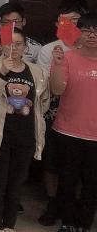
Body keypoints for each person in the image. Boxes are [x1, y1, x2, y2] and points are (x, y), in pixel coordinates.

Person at [0, 28, 49, 232]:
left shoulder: (36, 71)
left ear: (25, 48)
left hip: (26, 136)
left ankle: (9, 225)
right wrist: (3, 73)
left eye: (19, 44)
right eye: (9, 43)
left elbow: (42, 103)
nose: (14, 48)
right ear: (1, 45)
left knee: (16, 185)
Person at [36, 0, 88, 226]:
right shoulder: (49, 50)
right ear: (58, 23)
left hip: (84, 115)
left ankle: (74, 203)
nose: (71, 25)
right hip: (53, 113)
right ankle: (53, 202)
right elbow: (47, 84)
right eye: (66, 20)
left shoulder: (90, 48)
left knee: (80, 165)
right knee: (52, 161)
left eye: (76, 20)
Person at [49, 13, 97, 232]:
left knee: (92, 184)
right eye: (87, 30)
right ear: (79, 33)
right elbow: (57, 89)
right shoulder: (66, 58)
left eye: (96, 31)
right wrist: (58, 65)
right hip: (68, 131)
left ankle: (84, 224)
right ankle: (67, 222)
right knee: (67, 181)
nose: (92, 36)